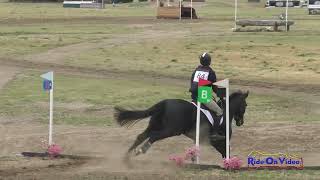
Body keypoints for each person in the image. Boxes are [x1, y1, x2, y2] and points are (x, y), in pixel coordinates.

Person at [189, 52, 225, 141]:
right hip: (203, 97)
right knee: (219, 111)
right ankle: (214, 133)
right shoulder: (211, 72)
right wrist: (221, 96)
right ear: (209, 61)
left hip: (194, 96)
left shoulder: (196, 70)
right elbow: (214, 88)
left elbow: (193, 84)